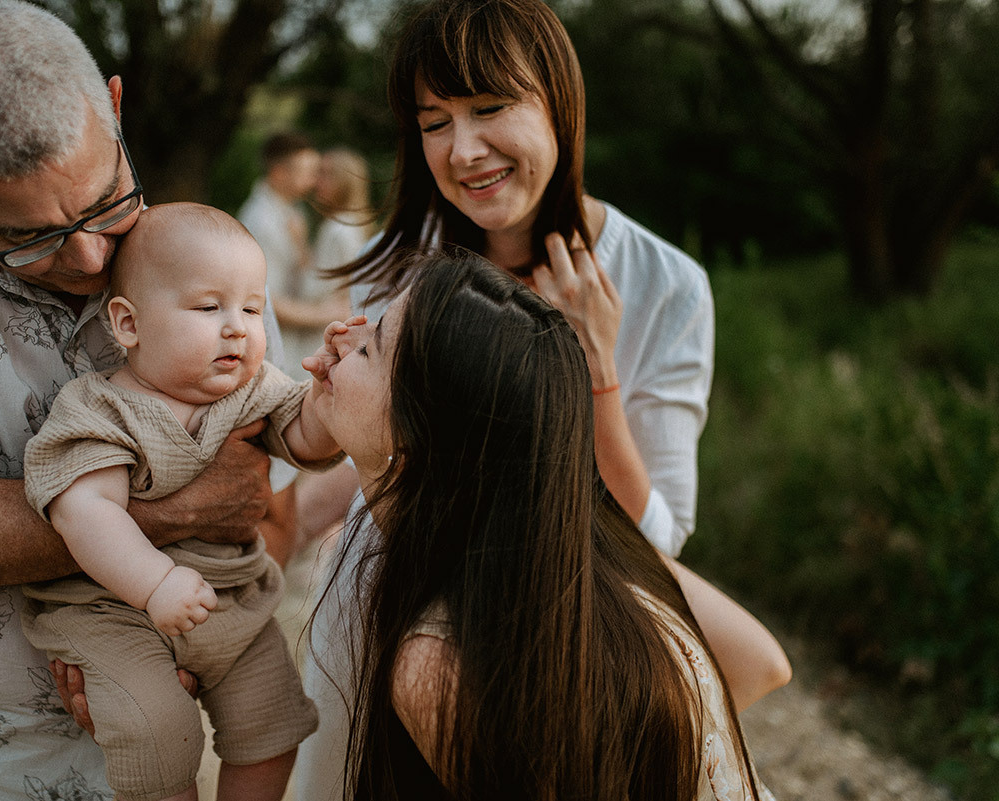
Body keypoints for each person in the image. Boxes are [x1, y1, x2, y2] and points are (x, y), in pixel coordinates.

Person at [290, 1, 792, 797]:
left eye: (490, 108)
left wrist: (597, 373)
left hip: (537, 624)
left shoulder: (665, 285)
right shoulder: (404, 261)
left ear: (559, 103)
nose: (463, 150)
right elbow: (379, 447)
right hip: (386, 580)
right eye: (434, 122)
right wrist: (278, 520)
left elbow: (656, 539)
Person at [0, 2, 284, 797]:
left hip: (162, 729)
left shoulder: (193, 247)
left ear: (115, 108)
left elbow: (264, 492)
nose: (92, 257)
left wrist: (185, 645)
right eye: (28, 237)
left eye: (106, 201)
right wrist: (180, 512)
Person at [303, 252, 776, 799]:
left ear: (422, 438)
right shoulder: (579, 540)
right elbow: (760, 663)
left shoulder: (434, 665)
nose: (342, 334)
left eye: (371, 346)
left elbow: (763, 666)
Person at [20, 204, 344, 801]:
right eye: (208, 308)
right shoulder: (99, 409)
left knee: (275, 724)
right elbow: (85, 511)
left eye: (252, 308)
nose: (237, 328)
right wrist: (155, 584)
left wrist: (327, 399)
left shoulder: (253, 387)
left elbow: (302, 438)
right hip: (115, 609)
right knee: (156, 732)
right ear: (128, 324)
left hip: (232, 602)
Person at [276, 148, 373, 383]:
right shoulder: (353, 224)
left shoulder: (338, 230)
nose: (317, 181)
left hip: (316, 338)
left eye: (326, 174)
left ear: (345, 182)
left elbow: (314, 288)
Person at [237, 132, 321, 377]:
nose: (314, 181)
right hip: (273, 351)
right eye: (307, 172)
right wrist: (330, 314)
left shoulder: (294, 211)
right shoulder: (261, 222)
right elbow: (266, 300)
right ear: (279, 173)